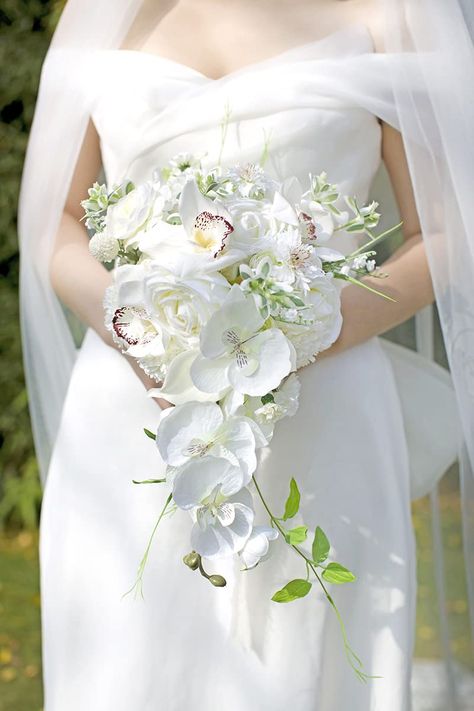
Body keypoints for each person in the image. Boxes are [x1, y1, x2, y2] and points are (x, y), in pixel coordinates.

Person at [18, 1, 473, 709]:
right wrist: (132, 323)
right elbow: (57, 219)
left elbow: (443, 233)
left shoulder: (389, 11)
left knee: (308, 663)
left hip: (324, 417)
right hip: (134, 419)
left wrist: (307, 328)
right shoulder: (104, 11)